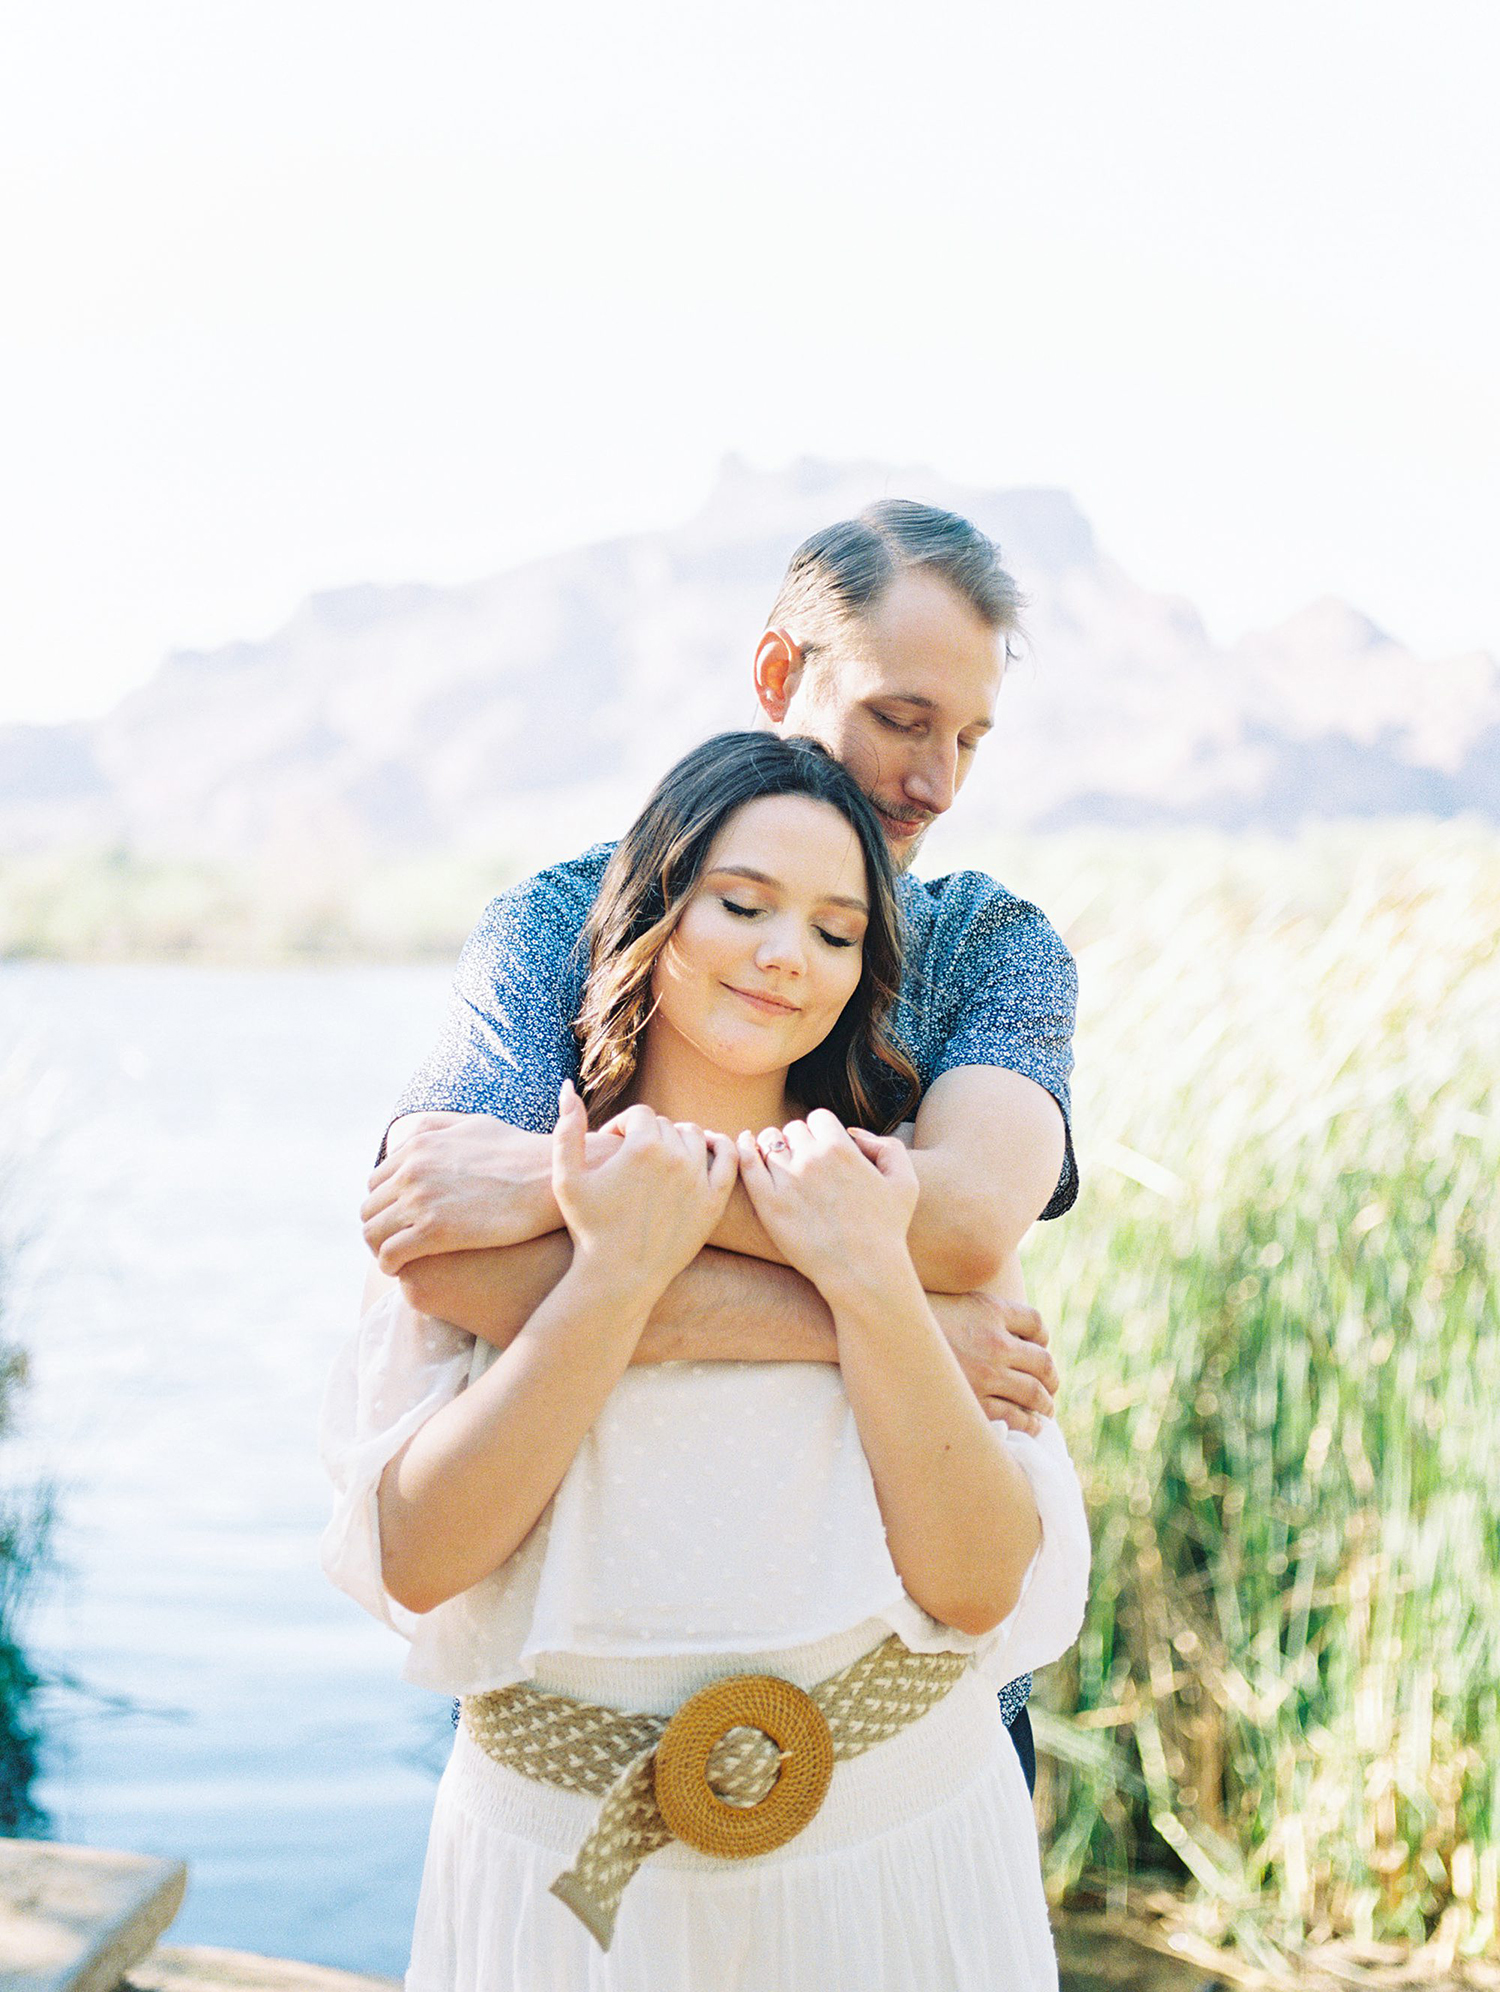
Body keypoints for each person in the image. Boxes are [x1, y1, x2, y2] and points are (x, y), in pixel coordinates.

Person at [322, 732, 1090, 1991]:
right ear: (648, 911)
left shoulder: (892, 1198)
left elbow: (977, 1582)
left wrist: (867, 1283)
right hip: (570, 1885)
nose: (789, 955)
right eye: (742, 906)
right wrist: (615, 1278)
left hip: (898, 1863)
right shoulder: (501, 1197)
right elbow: (422, 1558)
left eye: (840, 933)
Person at [358, 501, 1079, 1787]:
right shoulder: (560, 923)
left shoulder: (988, 946)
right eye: (901, 719)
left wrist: (575, 1193)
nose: (936, 783)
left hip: (906, 1718)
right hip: (589, 1709)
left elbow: (966, 1223)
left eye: (969, 738)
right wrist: (890, 1321)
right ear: (776, 675)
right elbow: (444, 1253)